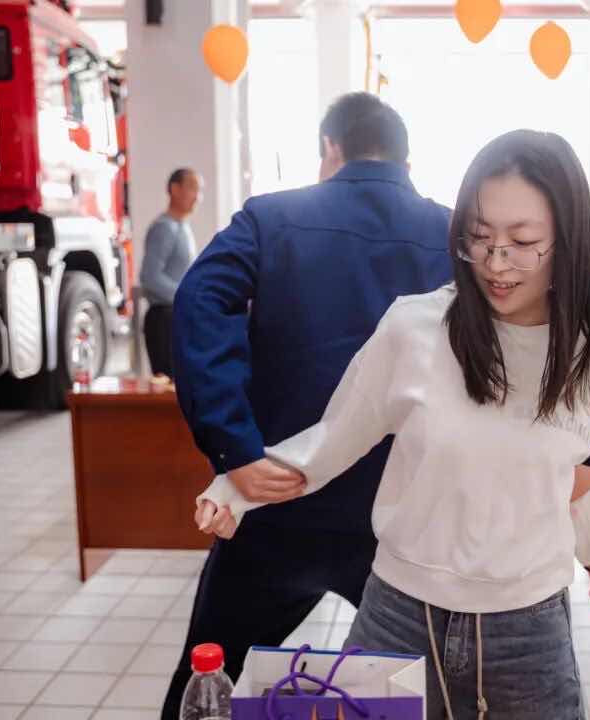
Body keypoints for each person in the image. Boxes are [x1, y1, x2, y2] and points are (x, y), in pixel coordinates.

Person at [197, 130, 590, 720]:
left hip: (529, 628)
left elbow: (560, 470)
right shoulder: (416, 328)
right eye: (479, 237)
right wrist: (235, 487)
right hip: (400, 614)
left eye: (523, 242)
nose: (496, 263)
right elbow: (333, 440)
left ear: (569, 239)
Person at [161, 94, 455, 720]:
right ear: (405, 160)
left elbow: (198, 302)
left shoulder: (272, 218)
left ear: (330, 148)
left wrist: (233, 446)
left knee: (209, 677)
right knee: (426, 690)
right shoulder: (453, 233)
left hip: (277, 501)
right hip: (400, 516)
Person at [139, 167, 203, 378]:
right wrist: (188, 296)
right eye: (192, 188)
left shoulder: (184, 227)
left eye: (199, 190)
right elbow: (150, 277)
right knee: (169, 388)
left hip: (178, 317)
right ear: (175, 189)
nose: (197, 197)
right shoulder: (165, 228)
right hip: (164, 320)